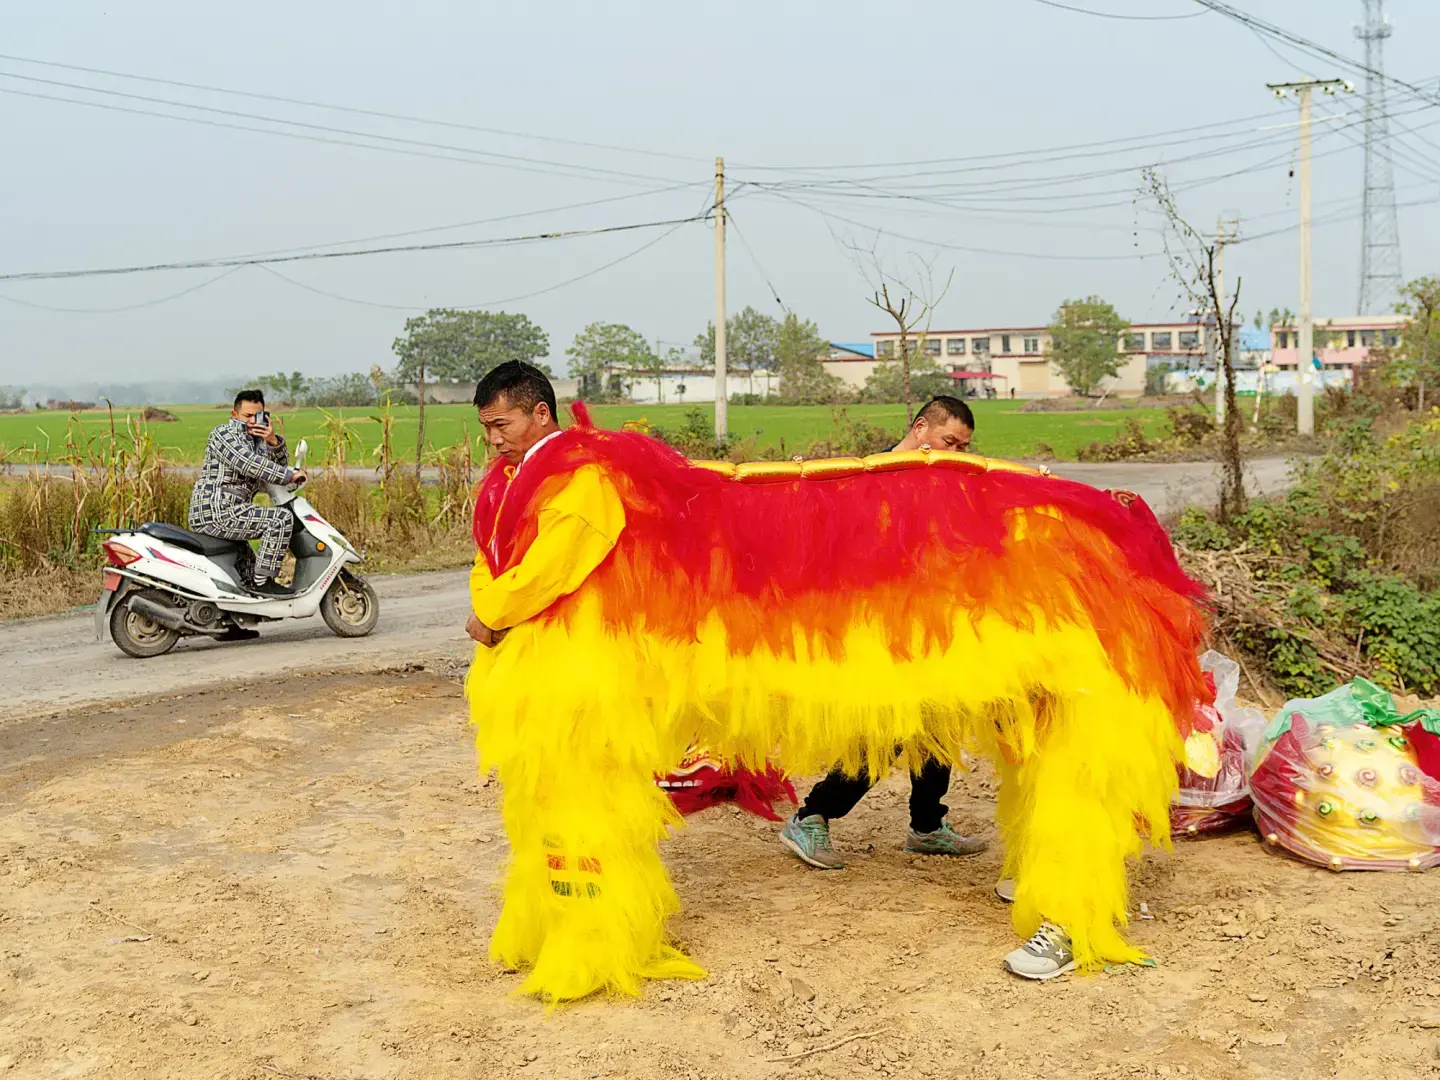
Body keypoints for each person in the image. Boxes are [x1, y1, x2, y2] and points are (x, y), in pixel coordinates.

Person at [779, 395, 988, 870]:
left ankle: (928, 825)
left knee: (941, 719)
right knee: (892, 730)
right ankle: (812, 815)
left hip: (928, 621)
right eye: (948, 441)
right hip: (874, 627)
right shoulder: (868, 478)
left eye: (962, 447)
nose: (954, 453)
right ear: (920, 428)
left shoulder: (940, 484)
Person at [189, 389, 306, 597]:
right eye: (248, 416)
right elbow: (248, 464)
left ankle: (236, 622)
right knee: (279, 520)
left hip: (236, 510)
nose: (253, 421)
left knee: (248, 575)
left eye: (258, 415)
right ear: (235, 415)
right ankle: (264, 583)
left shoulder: (258, 443)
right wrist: (288, 476)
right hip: (217, 509)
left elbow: (273, 468)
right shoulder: (223, 434)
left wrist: (273, 442)